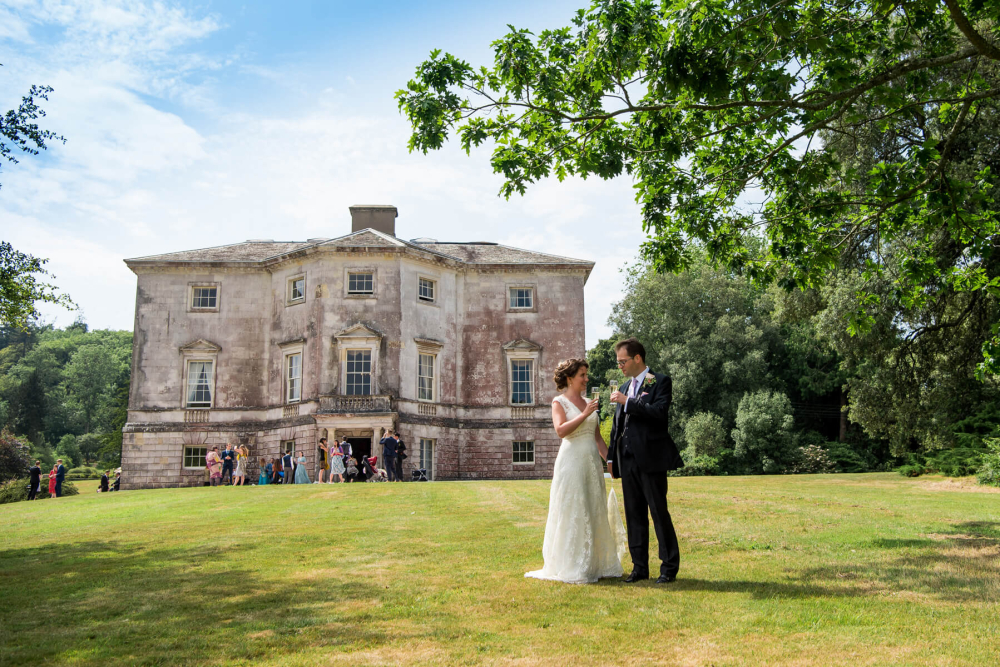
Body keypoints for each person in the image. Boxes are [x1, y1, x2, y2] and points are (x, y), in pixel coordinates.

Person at [525, 358, 623, 584]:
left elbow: (597, 437)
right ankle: (572, 564)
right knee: (575, 509)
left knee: (593, 507)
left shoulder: (590, 401)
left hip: (591, 464)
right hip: (571, 463)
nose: (587, 379)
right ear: (570, 378)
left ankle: (595, 563)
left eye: (586, 375)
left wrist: (611, 462)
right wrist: (584, 413)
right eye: (582, 375)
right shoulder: (558, 402)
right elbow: (561, 431)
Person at [608, 338, 684, 584]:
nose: (620, 366)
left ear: (637, 358)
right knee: (633, 515)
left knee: (659, 513)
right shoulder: (624, 386)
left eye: (623, 361)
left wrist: (628, 402)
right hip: (628, 459)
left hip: (651, 459)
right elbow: (617, 426)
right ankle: (639, 568)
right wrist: (611, 456)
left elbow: (659, 414)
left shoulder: (658, 381)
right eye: (619, 362)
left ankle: (668, 568)